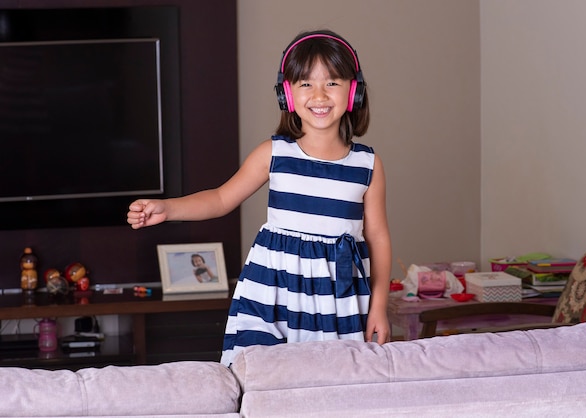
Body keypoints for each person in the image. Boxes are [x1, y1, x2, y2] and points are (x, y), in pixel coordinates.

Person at [127, 29, 392, 366]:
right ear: (287, 94)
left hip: (336, 297)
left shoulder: (367, 164)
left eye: (333, 83)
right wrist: (168, 208)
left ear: (354, 92)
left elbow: (378, 238)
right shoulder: (274, 153)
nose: (320, 95)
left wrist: (379, 307)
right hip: (273, 288)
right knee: (262, 372)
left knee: (330, 376)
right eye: (306, 84)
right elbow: (222, 199)